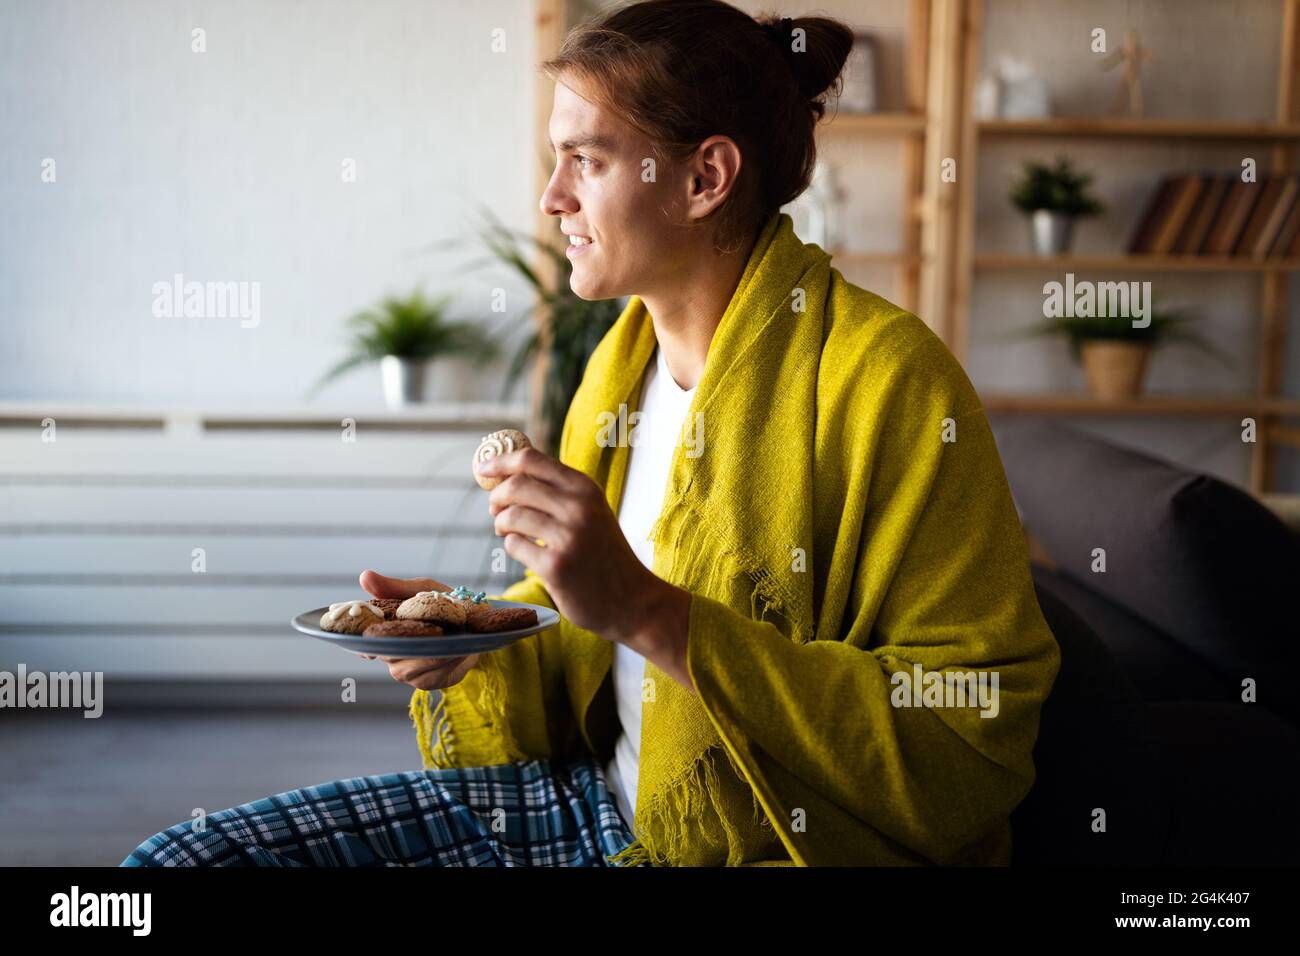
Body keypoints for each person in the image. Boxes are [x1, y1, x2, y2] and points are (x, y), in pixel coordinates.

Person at [122, 0, 1060, 868]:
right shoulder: (622, 365)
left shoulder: (889, 382)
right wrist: (482, 630)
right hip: (594, 800)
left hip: (745, 846)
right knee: (182, 863)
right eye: (555, 159)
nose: (551, 200)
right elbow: (585, 617)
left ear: (704, 177)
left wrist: (653, 613)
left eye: (588, 161)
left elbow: (970, 736)